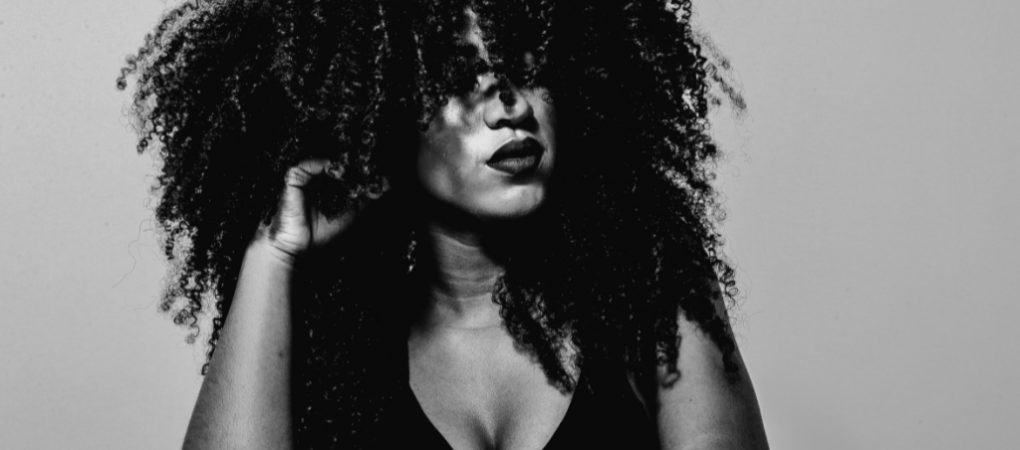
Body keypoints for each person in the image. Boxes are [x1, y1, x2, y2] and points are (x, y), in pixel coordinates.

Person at [119, 0, 768, 448]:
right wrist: (272, 253)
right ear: (382, 112)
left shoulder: (651, 290)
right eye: (460, 79)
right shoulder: (335, 348)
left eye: (528, 67)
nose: (510, 106)